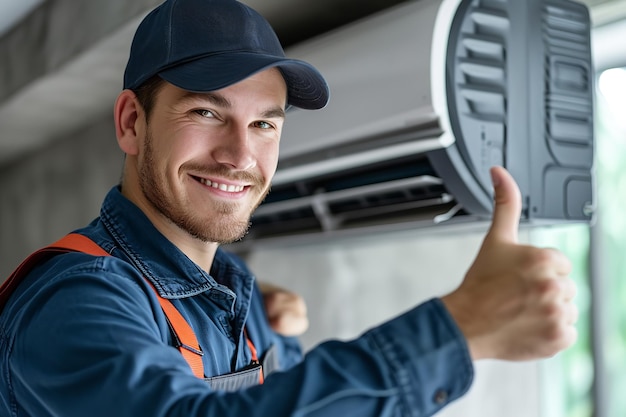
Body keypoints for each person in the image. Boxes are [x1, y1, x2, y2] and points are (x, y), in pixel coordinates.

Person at [0, 0, 578, 416]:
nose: (239, 155)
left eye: (264, 124)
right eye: (206, 113)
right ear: (132, 122)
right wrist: (459, 330)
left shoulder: (235, 291)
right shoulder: (75, 299)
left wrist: (282, 342)